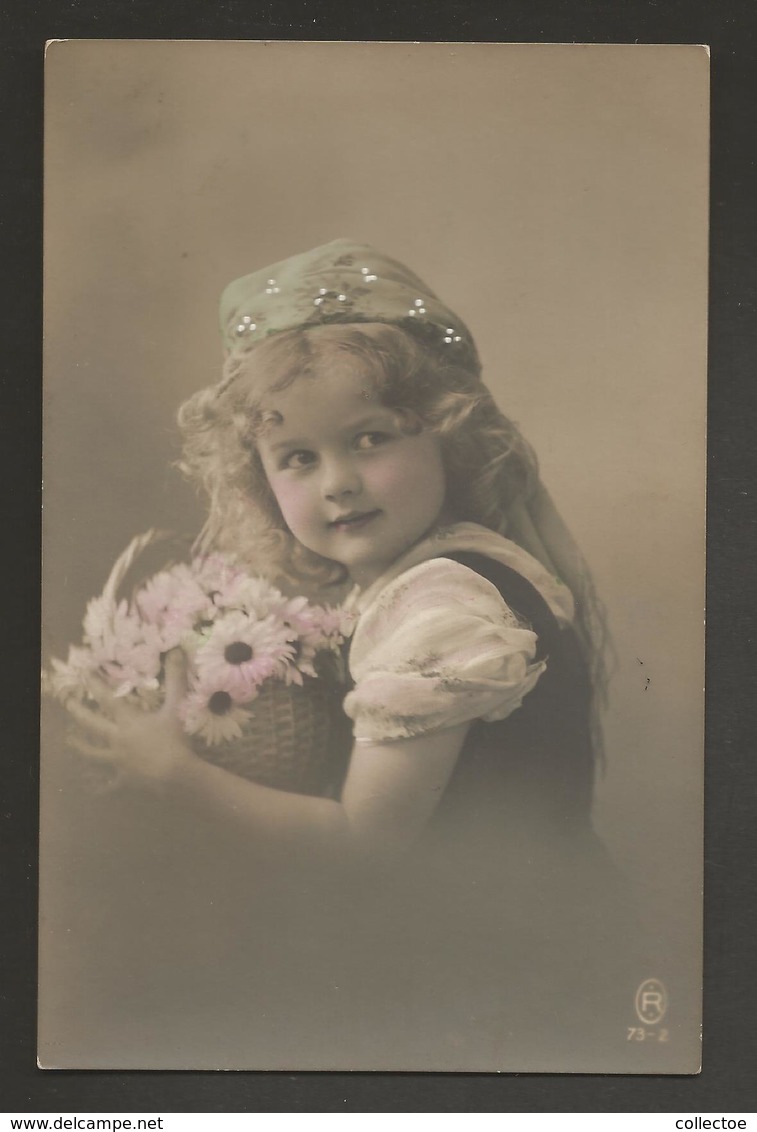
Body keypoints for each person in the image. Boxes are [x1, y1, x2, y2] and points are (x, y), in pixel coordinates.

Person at [64, 239, 637, 1070]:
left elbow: (366, 839)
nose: (336, 481)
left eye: (370, 439)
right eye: (299, 457)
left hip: (505, 967)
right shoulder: (426, 574)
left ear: (447, 436)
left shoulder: (442, 604)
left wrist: (178, 773)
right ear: (263, 480)